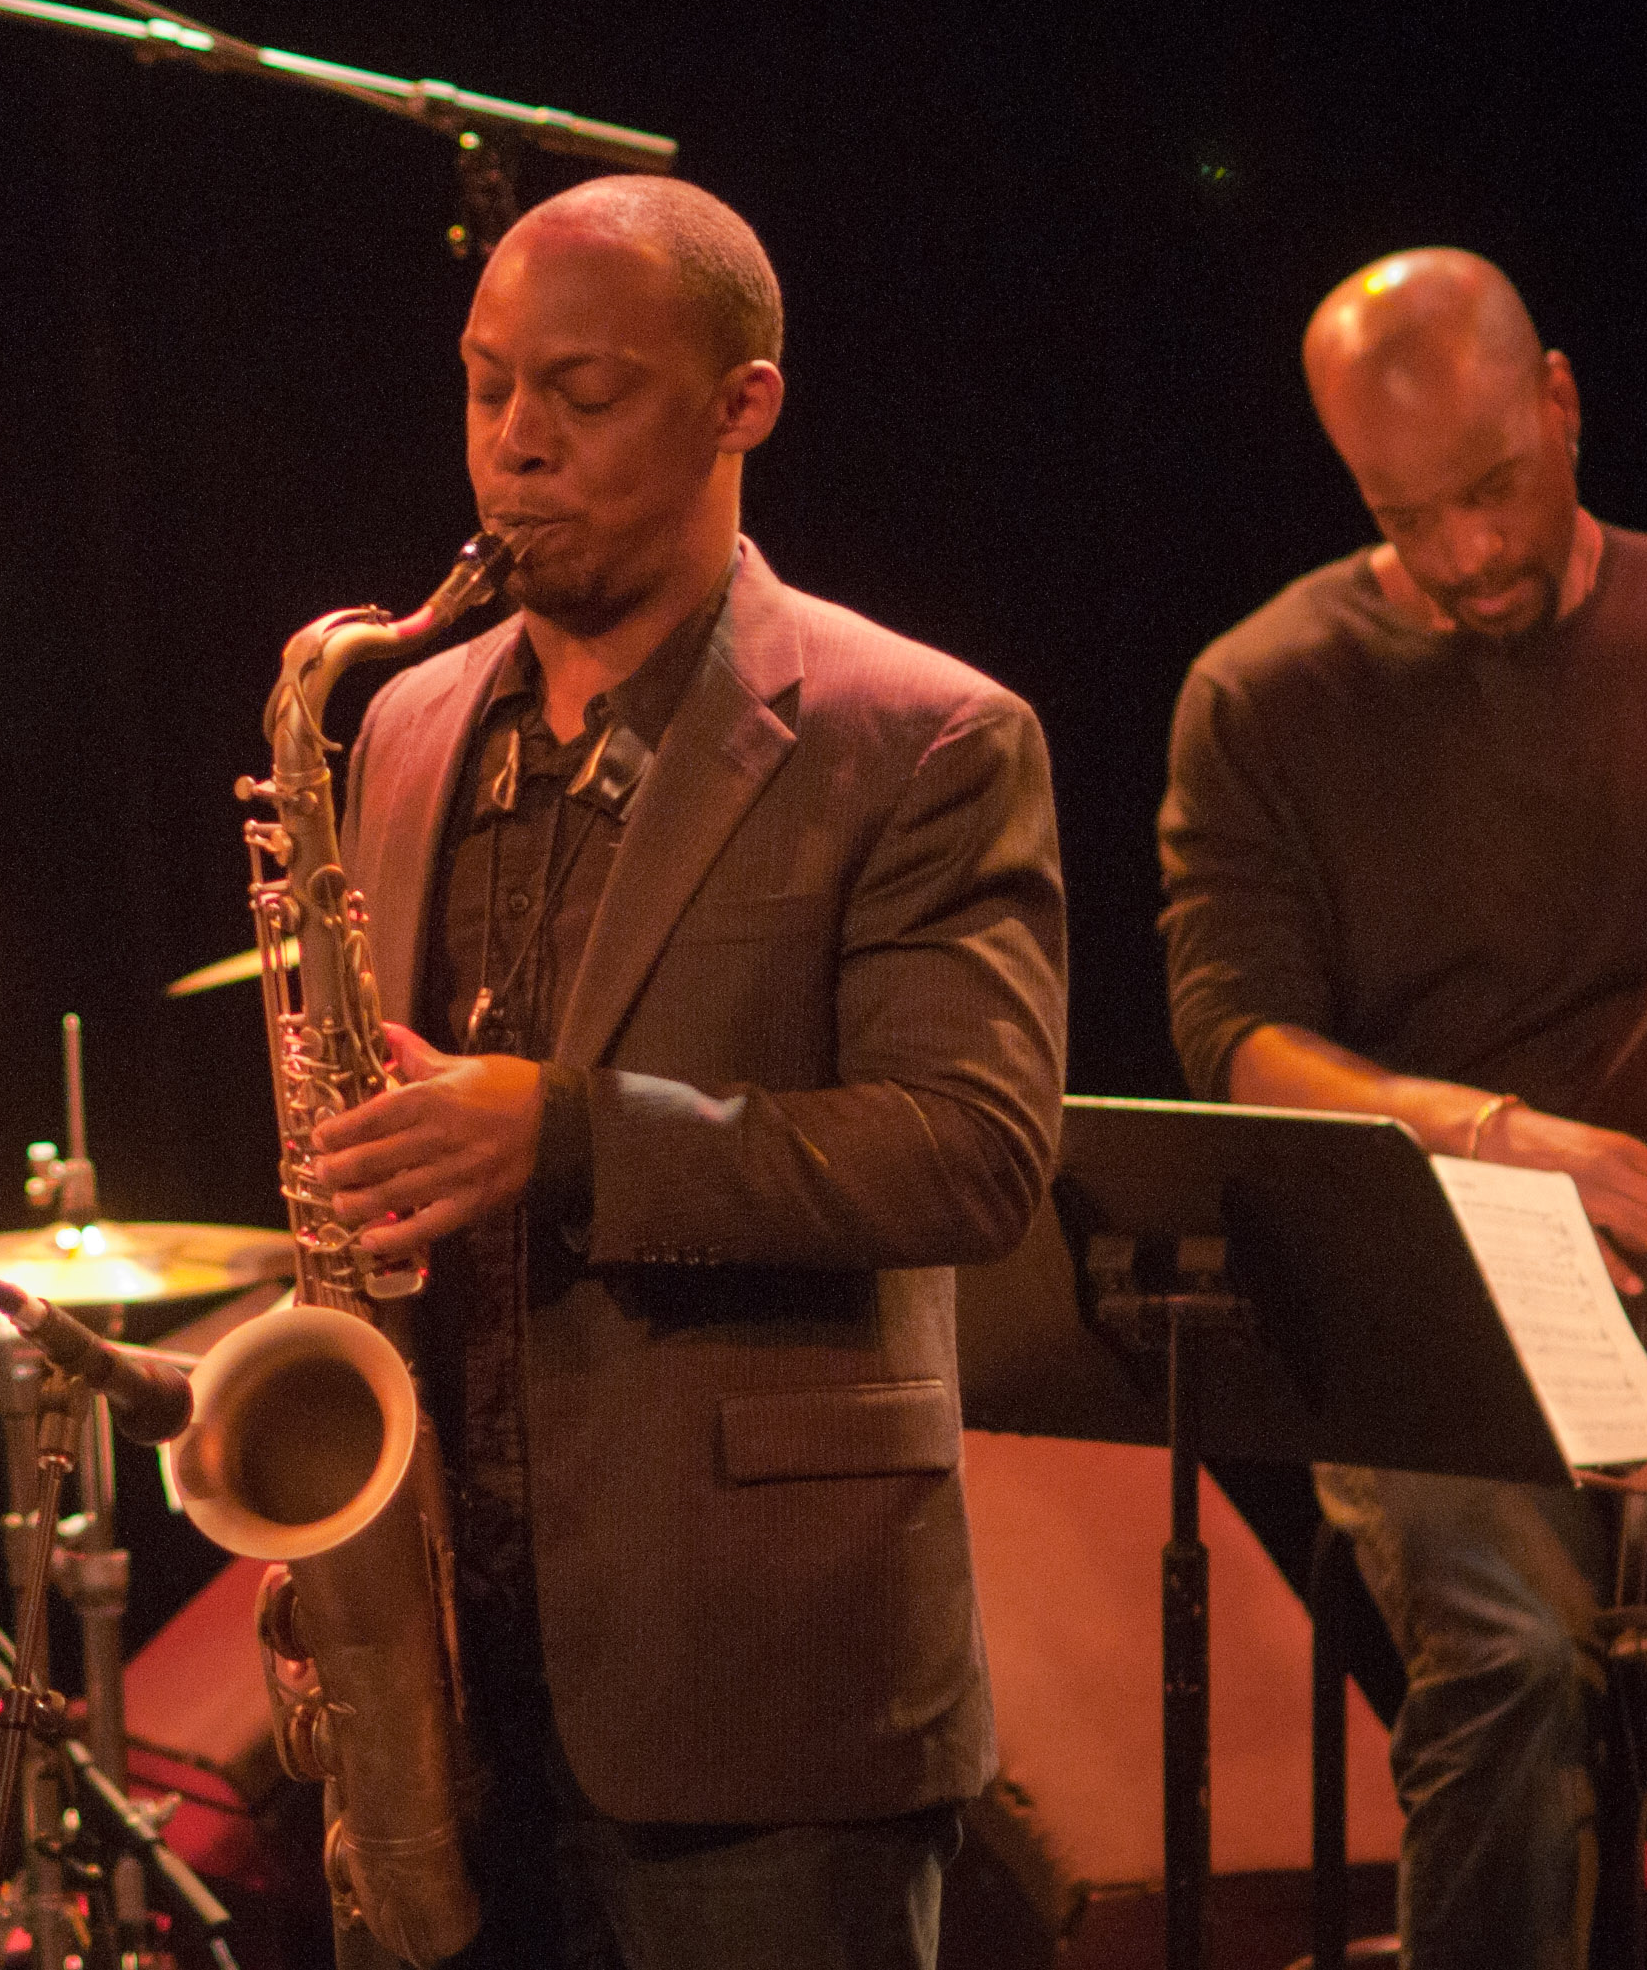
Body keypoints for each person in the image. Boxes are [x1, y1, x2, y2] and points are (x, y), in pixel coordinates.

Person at [312, 174, 1067, 1969]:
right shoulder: (405, 720)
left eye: (583, 397)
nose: (515, 446)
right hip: (447, 1683)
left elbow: (967, 1154)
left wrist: (565, 1135)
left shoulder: (927, 737)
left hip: (763, 1698)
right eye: (488, 386)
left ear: (744, 403)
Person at [1157, 245, 1647, 1970]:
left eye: (1494, 492)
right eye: (1407, 510)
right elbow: (1236, 1040)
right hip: (1437, 1291)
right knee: (1513, 1659)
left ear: (1564, 402)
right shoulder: (1261, 694)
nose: (1463, 554)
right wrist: (1514, 1140)